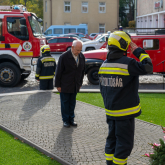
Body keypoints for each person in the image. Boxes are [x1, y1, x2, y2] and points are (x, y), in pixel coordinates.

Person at [98, 31, 153, 165]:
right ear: (123, 45)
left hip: (110, 113)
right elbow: (148, 67)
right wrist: (139, 51)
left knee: (111, 141)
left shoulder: (103, 65)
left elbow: (102, 90)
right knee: (124, 144)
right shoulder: (128, 63)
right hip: (125, 113)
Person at [55, 40, 85, 128]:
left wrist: (80, 83)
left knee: (72, 103)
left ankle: (71, 119)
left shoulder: (82, 57)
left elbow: (82, 71)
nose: (78, 52)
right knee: (65, 103)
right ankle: (65, 120)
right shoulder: (64, 57)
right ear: (72, 47)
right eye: (77, 50)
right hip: (65, 85)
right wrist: (58, 85)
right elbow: (58, 72)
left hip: (75, 85)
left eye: (80, 50)